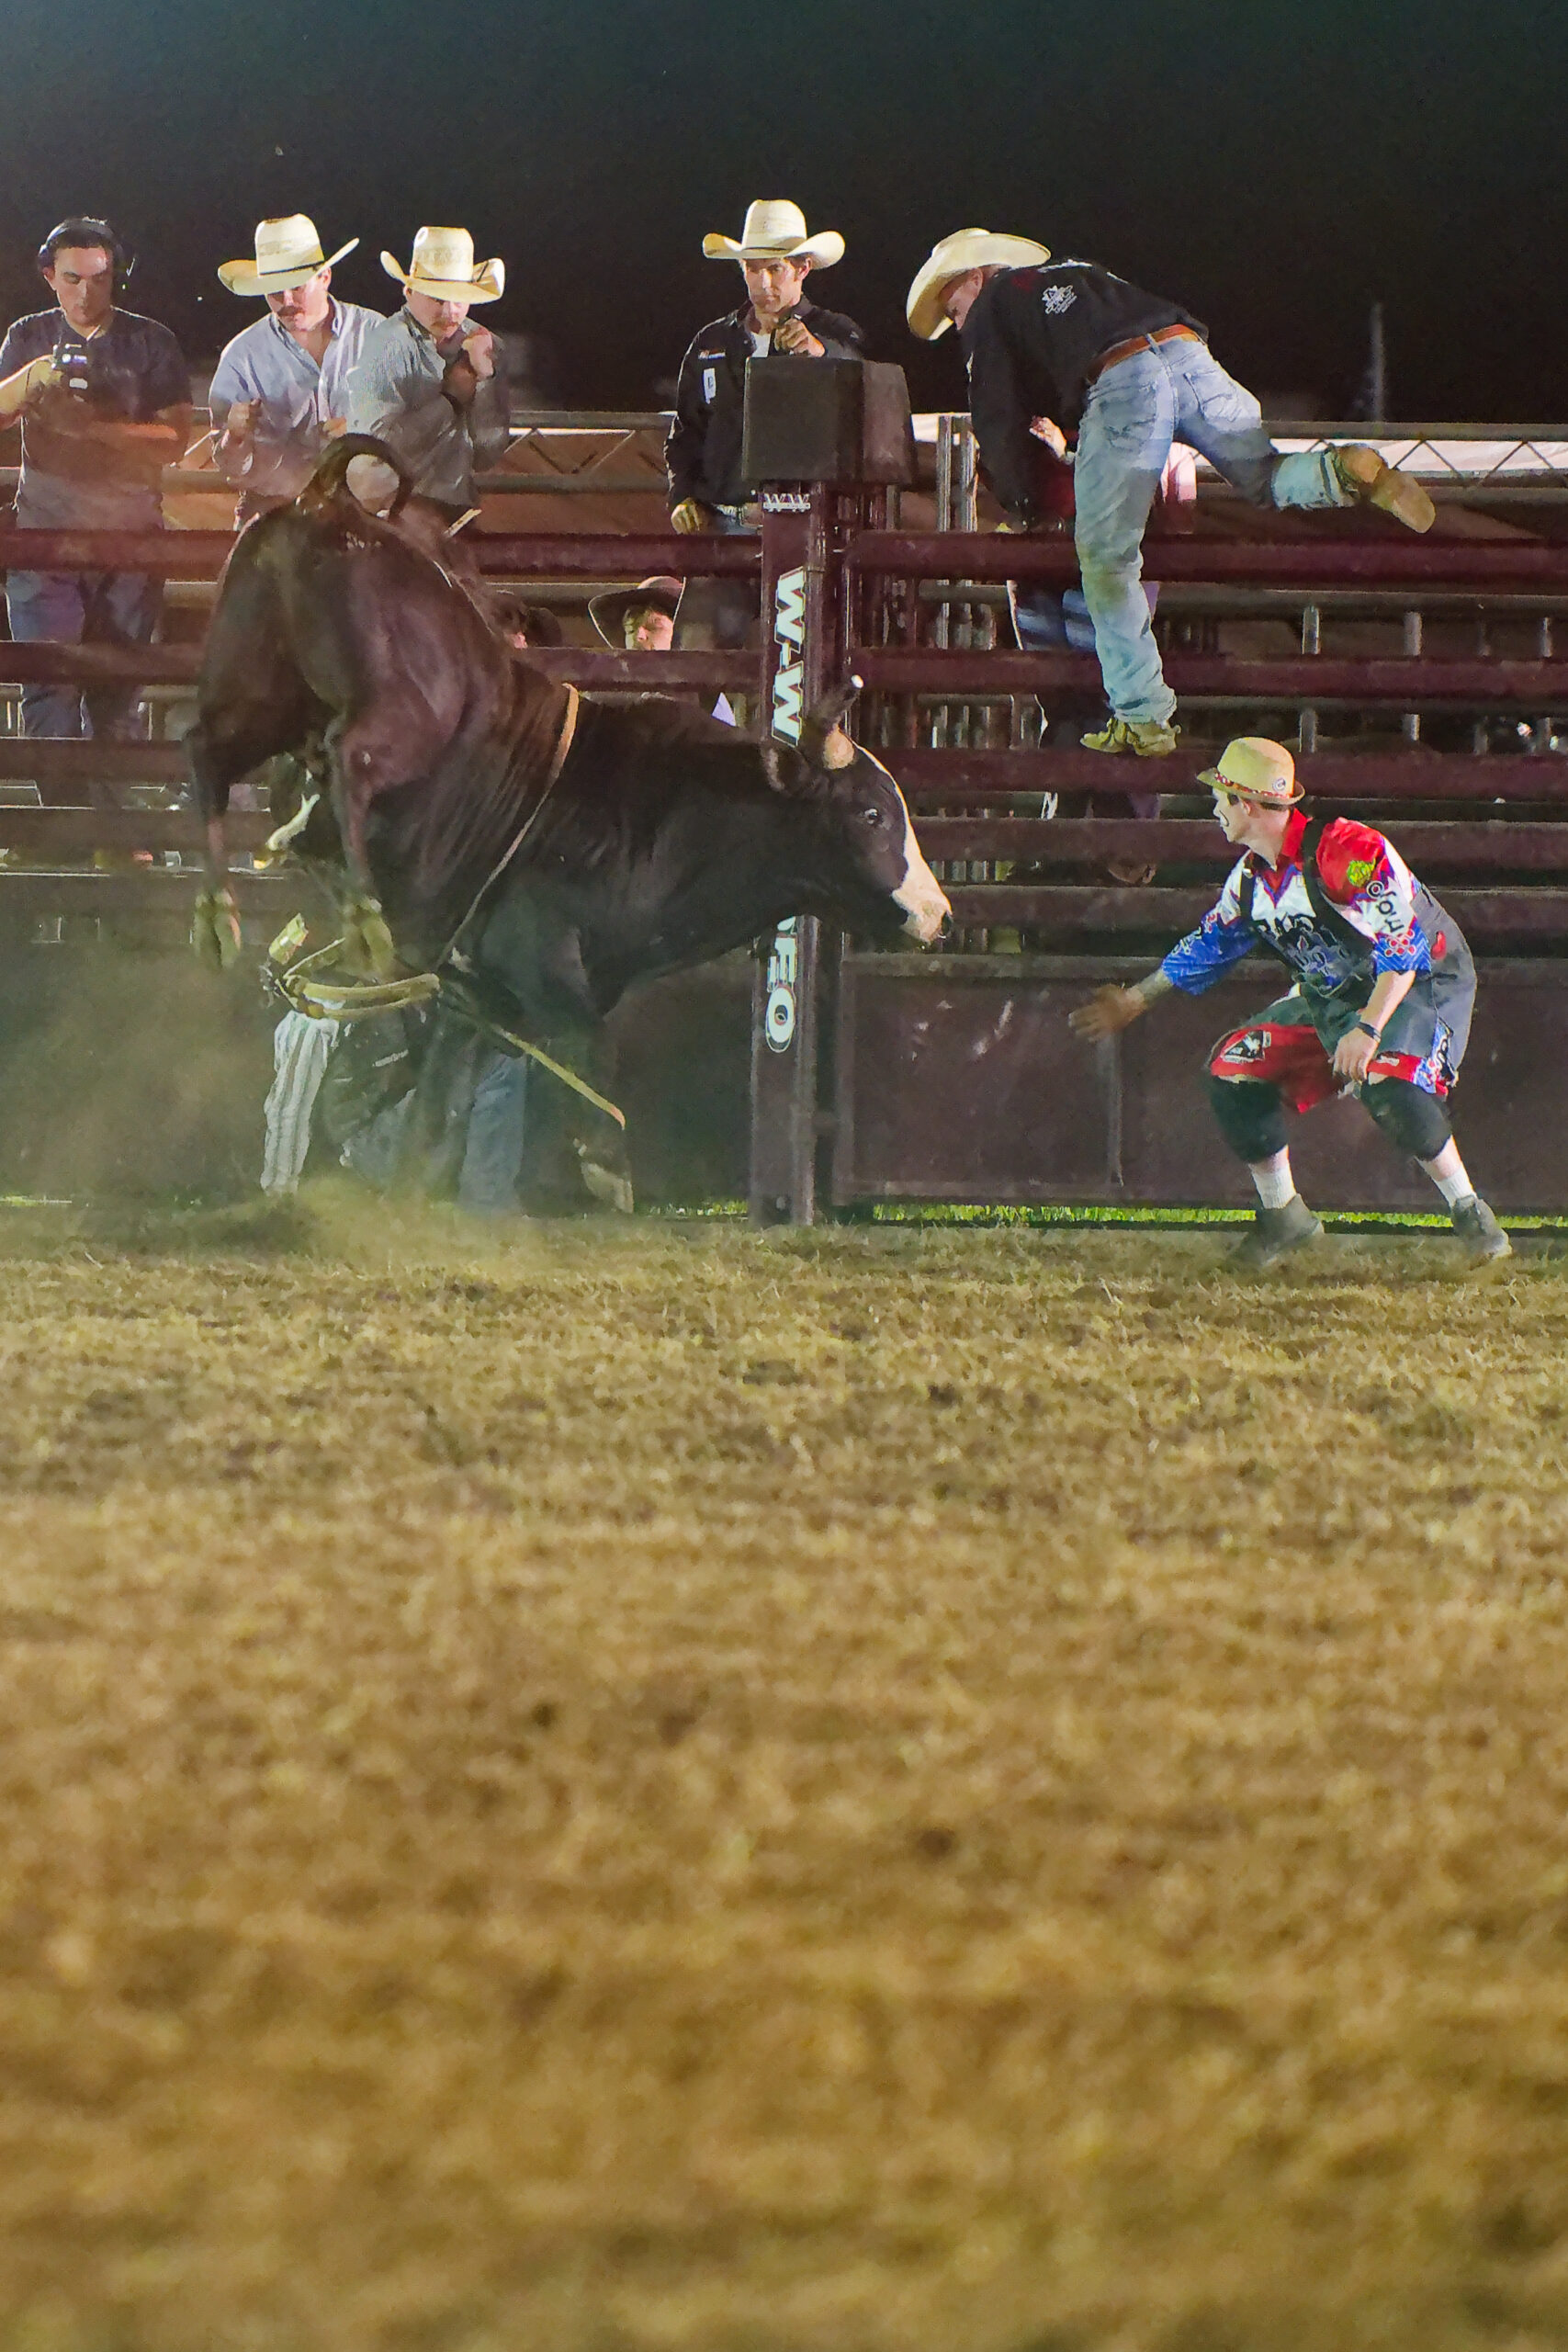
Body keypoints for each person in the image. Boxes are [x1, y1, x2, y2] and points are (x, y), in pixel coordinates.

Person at [905, 230, 1436, 760]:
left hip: (1123, 379)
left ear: (975, 277)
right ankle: (1341, 471)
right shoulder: (1079, 274)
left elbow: (995, 414)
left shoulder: (994, 305)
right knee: (1264, 477)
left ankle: (1142, 715)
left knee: (1107, 558)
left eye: (954, 310)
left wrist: (1023, 505)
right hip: (1189, 354)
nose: (959, 324)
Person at [1068, 737, 1510, 1268]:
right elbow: (1209, 945)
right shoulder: (1251, 882)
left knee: (1390, 1082)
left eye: (1220, 798)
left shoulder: (1350, 850)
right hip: (1335, 995)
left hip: (1420, 984)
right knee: (1233, 1068)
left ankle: (1470, 1211)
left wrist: (1368, 1030)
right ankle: (1284, 1214)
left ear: (1246, 805)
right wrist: (1137, 1000)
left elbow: (1405, 947)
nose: (1215, 809)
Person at [0, 218, 190, 743]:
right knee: (47, 679)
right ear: (50, 276)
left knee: (118, 687)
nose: (85, 292)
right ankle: (61, 813)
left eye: (98, 278)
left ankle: (108, 815)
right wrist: (30, 379)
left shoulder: (150, 340)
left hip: (128, 535)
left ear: (115, 279)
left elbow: (175, 438)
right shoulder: (27, 337)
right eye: (73, 278)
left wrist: (94, 428)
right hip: (46, 534)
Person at [666, 200, 865, 654]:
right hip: (726, 525)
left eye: (774, 269)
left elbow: (858, 380)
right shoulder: (711, 342)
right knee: (694, 662)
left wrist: (818, 353)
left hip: (806, 530)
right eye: (753, 270)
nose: (763, 283)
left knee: (796, 672)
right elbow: (686, 433)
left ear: (802, 269)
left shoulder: (834, 333)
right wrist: (682, 494)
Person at [209, 214, 382, 520]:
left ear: (324, 277)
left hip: (365, 510)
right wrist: (234, 437)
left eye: (296, 288)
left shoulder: (377, 336)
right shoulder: (242, 355)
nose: (286, 301)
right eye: (275, 291)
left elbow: (410, 425)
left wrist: (361, 427)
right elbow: (230, 467)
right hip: (274, 510)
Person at [344, 226, 509, 539]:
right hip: (386, 513)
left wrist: (485, 379)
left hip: (451, 512)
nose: (450, 311)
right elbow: (376, 450)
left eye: (459, 298)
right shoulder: (387, 344)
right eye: (437, 298)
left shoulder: (488, 346)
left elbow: (489, 454)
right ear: (409, 293)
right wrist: (450, 400)